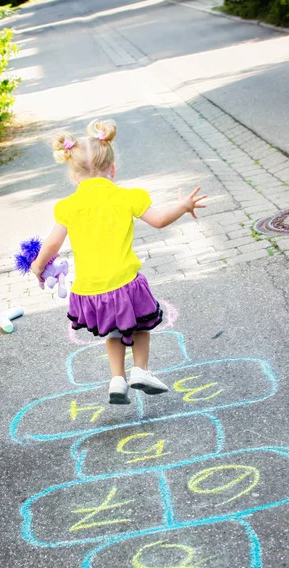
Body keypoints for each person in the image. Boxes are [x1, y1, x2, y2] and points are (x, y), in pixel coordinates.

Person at [31, 119, 207, 405]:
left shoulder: (67, 207)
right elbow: (160, 220)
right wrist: (183, 206)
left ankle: (117, 379)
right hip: (125, 284)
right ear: (112, 169)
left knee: (113, 332)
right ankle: (141, 370)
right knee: (139, 326)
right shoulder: (127, 197)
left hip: (90, 291)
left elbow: (52, 243)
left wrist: (38, 267)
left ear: (74, 176)